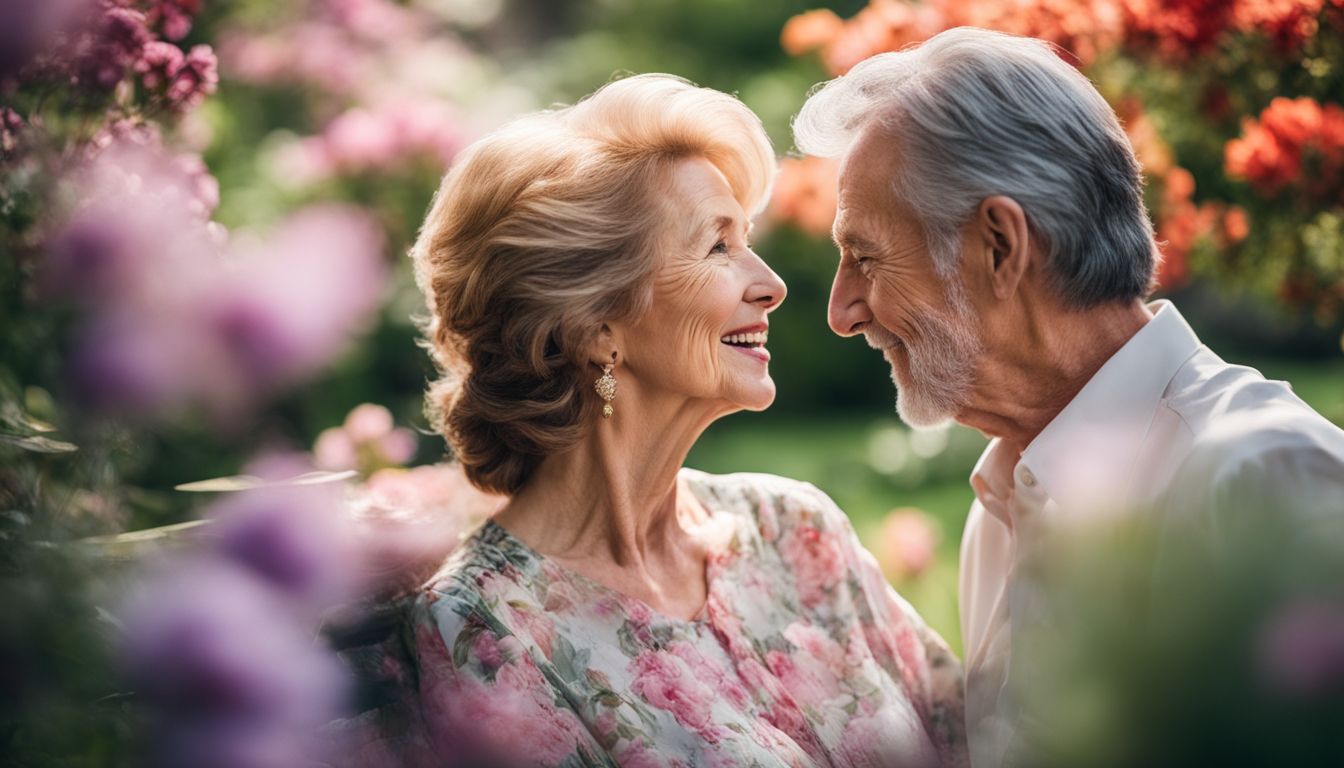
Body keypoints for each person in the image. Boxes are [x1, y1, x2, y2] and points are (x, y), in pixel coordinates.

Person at [791, 26, 1344, 767]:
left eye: (865, 257)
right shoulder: (1000, 510)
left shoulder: (1259, 476)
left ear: (1000, 246)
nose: (841, 310)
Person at [400, 74, 968, 767]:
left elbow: (967, 736)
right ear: (593, 325)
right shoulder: (487, 625)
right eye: (717, 246)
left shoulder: (794, 528)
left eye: (747, 239)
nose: (772, 284)